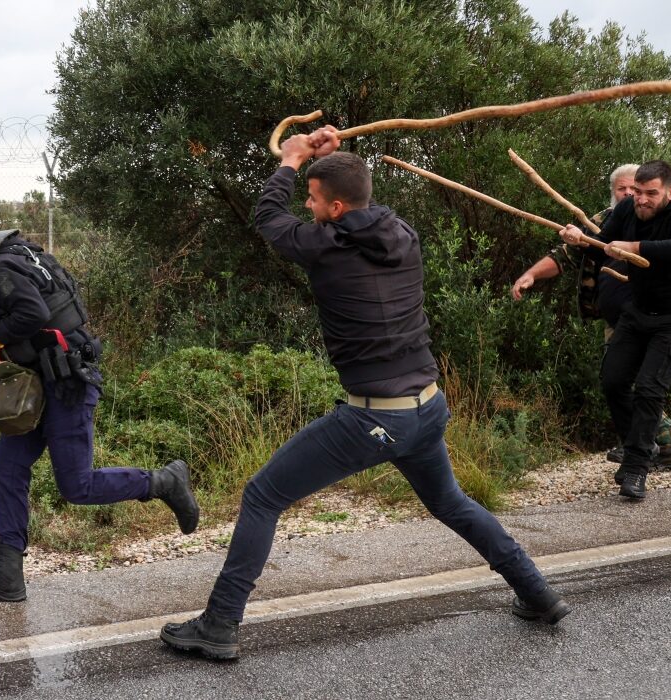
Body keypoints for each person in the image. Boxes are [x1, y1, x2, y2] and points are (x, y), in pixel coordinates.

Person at [159, 128, 569, 661]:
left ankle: (218, 625)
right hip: (426, 406)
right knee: (450, 502)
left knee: (263, 495)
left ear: (333, 207)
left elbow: (267, 217)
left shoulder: (326, 248)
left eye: (312, 200)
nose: (304, 207)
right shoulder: (403, 232)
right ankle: (537, 593)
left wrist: (290, 160)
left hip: (377, 419)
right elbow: (361, 202)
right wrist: (328, 162)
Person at [0, 223, 200, 601]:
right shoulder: (14, 259)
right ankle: (7, 573)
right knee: (6, 468)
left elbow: (32, 312)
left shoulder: (0, 269)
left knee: (77, 486)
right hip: (43, 379)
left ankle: (163, 481)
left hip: (67, 382)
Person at [511, 165, 671, 472]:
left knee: (639, 382)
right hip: (617, 320)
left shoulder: (661, 220)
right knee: (617, 380)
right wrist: (531, 275)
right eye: (623, 189)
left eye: (637, 189)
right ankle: (642, 444)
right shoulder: (605, 221)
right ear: (613, 192)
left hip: (653, 318)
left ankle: (664, 448)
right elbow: (567, 254)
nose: (630, 195)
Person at [557, 160, 671, 500]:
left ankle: (637, 468)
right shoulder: (626, 209)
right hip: (638, 314)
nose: (641, 200)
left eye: (650, 194)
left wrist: (634, 248)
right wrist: (579, 240)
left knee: (650, 389)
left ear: (670, 192)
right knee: (613, 379)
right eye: (637, 192)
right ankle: (642, 446)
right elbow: (605, 242)